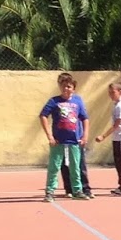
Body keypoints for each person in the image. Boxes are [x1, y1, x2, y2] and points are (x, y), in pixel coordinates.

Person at [39, 72, 91, 200]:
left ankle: (77, 190)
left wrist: (85, 135)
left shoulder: (78, 101)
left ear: (73, 88)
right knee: (54, 166)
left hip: (74, 140)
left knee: (76, 166)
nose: (66, 89)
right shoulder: (54, 101)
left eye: (68, 86)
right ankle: (50, 191)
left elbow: (85, 118)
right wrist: (50, 136)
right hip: (58, 140)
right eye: (63, 86)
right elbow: (43, 115)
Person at [95, 81, 121, 195]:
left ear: (120, 92)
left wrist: (103, 136)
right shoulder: (116, 105)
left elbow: (117, 124)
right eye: (109, 93)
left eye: (113, 92)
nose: (111, 95)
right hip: (117, 138)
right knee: (118, 163)